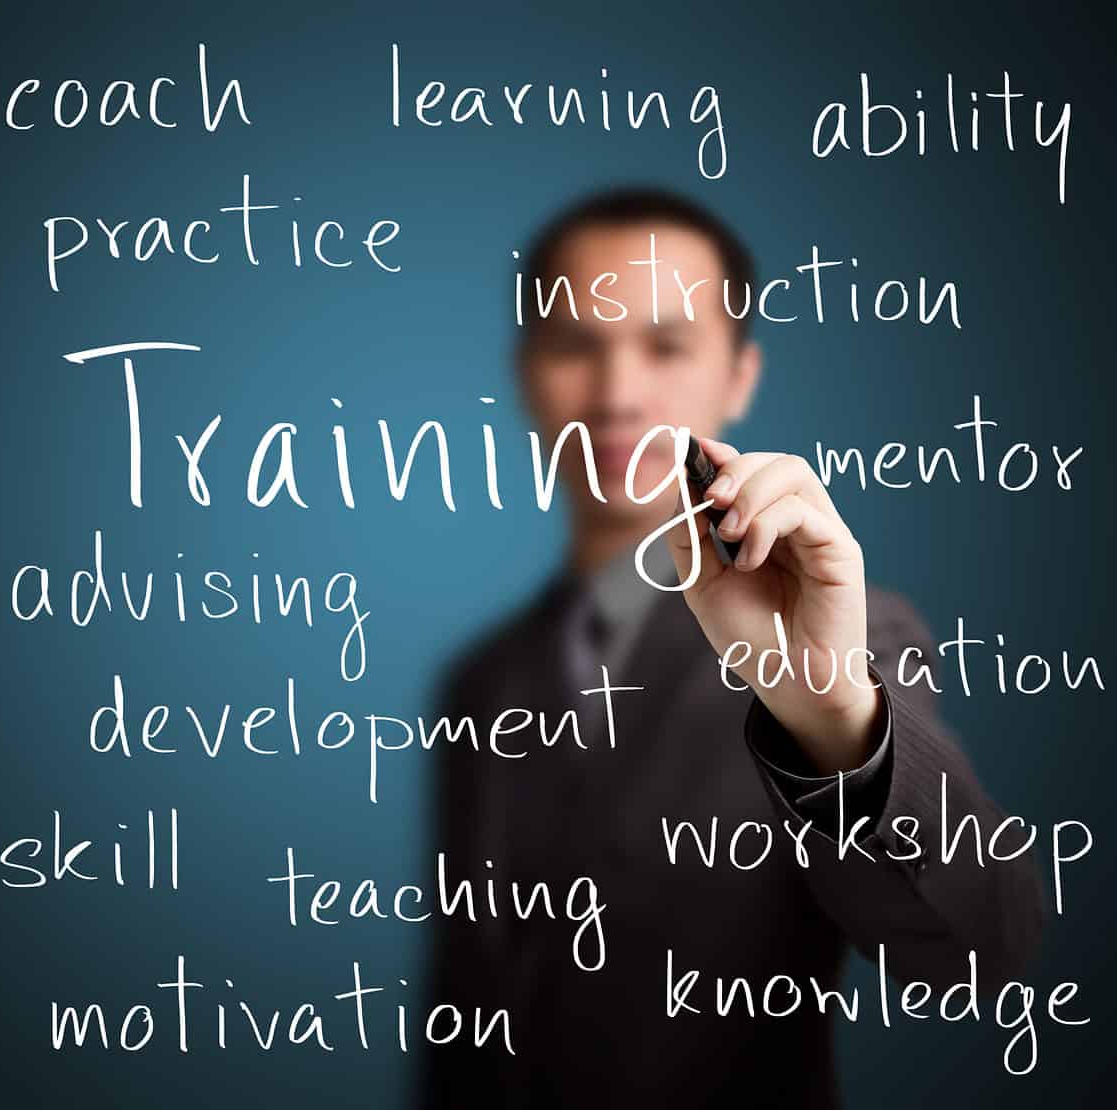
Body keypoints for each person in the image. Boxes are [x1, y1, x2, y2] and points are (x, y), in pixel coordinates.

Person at [421, 187, 1044, 1108]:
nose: (617, 392)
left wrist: (831, 711)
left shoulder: (843, 640)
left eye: (666, 345)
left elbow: (984, 952)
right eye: (574, 344)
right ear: (524, 374)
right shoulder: (481, 684)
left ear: (740, 375)